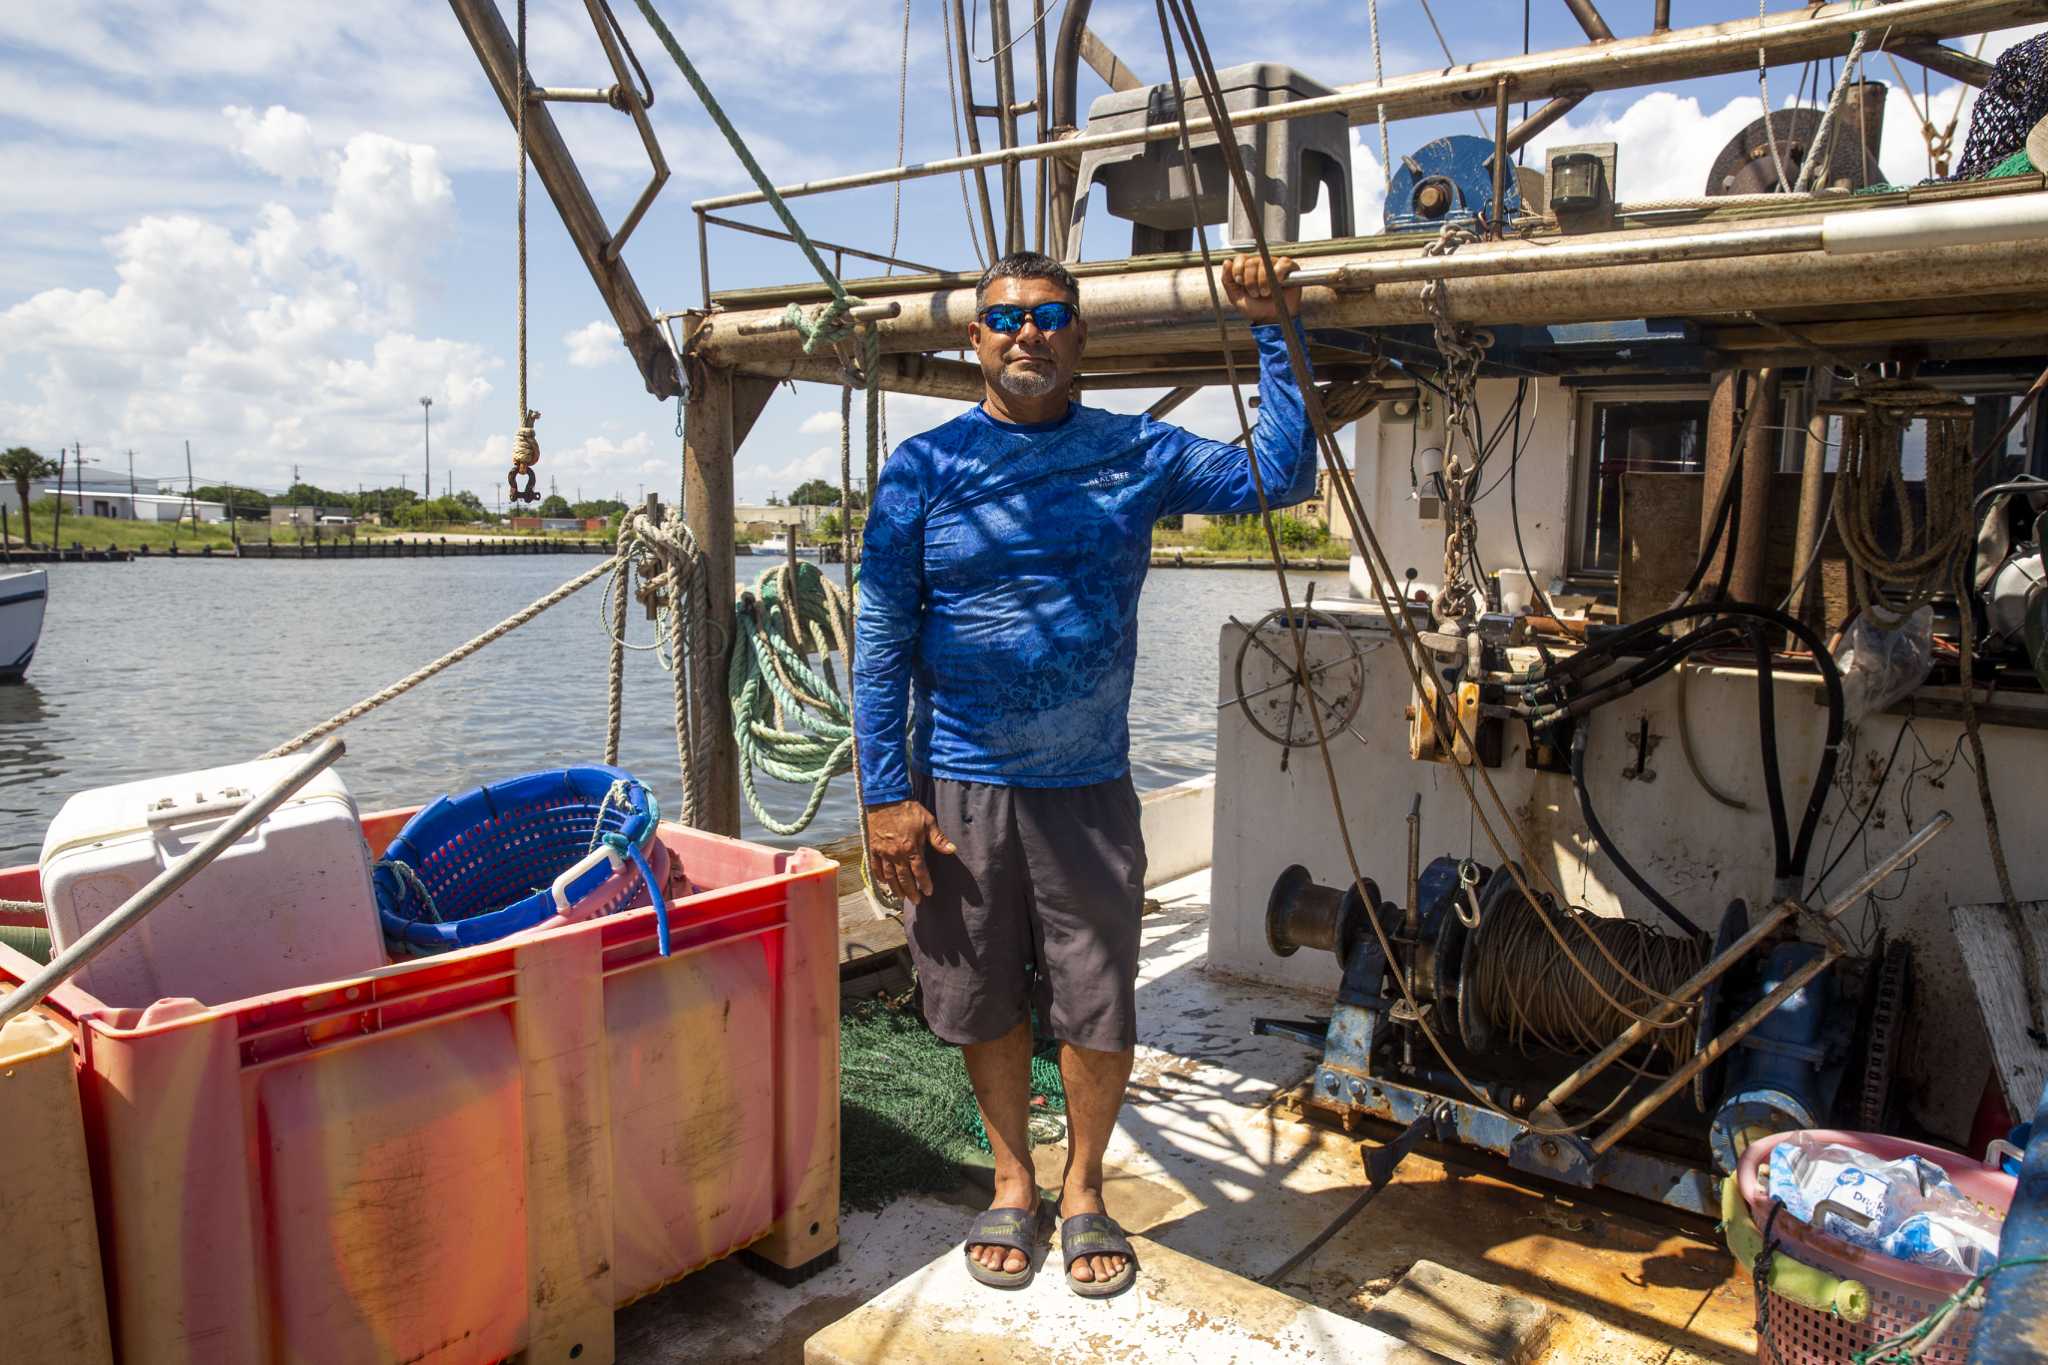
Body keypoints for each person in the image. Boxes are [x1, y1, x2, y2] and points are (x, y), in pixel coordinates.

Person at [852, 248, 1316, 1297]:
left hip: (1088, 785)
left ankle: (1085, 1188)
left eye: (1049, 316)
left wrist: (1275, 330)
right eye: (1005, 318)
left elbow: (1276, 476)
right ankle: (1013, 1180)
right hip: (955, 782)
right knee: (977, 996)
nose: (1027, 333)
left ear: (1078, 339)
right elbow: (880, 637)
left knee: (1095, 998)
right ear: (973, 340)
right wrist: (885, 792)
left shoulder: (1133, 452)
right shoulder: (923, 470)